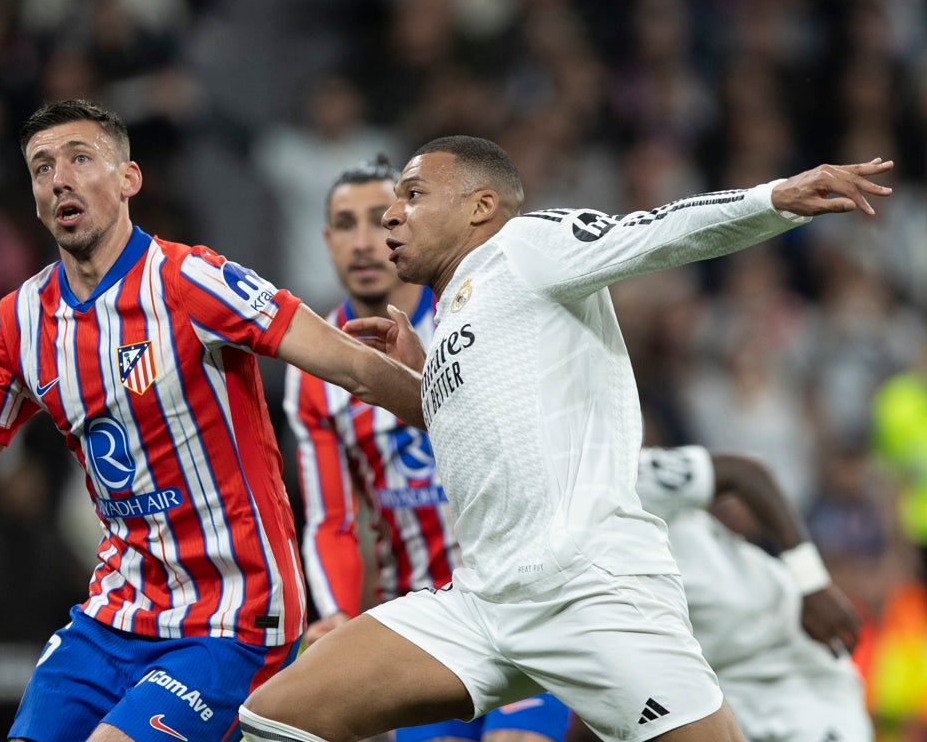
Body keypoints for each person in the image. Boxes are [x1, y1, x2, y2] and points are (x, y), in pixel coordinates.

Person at [0, 99, 426, 742]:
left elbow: (351, 366)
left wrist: (446, 407)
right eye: (43, 167)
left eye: (80, 158)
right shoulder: (21, 321)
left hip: (233, 615)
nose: (59, 178)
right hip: (116, 612)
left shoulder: (191, 282)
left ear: (129, 178)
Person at [238, 135, 894, 742]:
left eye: (413, 195)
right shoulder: (455, 325)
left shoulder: (525, 248)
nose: (390, 215)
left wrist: (774, 199)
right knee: (275, 715)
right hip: (485, 600)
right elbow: (468, 424)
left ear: (480, 206)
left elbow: (655, 234)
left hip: (592, 588)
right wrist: (417, 377)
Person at [286, 155, 565, 742]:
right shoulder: (313, 365)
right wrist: (335, 609)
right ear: (326, 240)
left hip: (521, 598)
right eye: (344, 224)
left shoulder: (475, 312)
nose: (364, 242)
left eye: (377, 219)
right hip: (424, 622)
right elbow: (332, 517)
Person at [565, 445, 872, 742]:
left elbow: (746, 472)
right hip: (709, 686)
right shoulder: (536, 544)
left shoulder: (607, 479)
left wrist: (810, 581)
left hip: (789, 659)